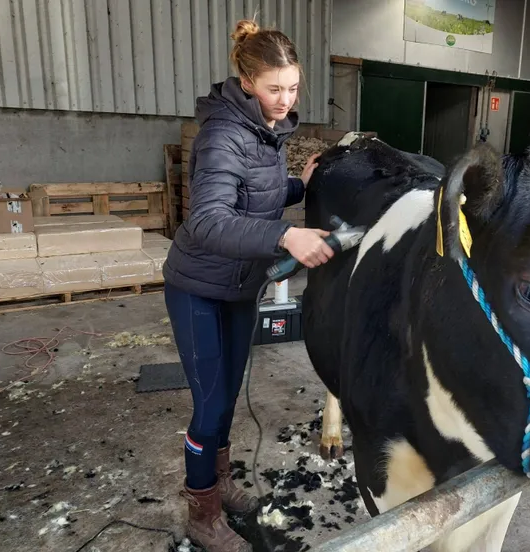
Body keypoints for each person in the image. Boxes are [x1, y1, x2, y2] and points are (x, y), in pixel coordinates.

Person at [162, 19, 335, 552]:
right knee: (210, 406)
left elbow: (251, 195)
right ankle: (201, 513)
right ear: (246, 82)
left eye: (293, 87)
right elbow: (208, 221)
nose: (285, 100)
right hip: (198, 286)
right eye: (273, 88)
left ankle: (219, 484)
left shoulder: (266, 130)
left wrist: (296, 185)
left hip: (238, 287)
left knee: (229, 396)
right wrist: (287, 235)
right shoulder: (223, 134)